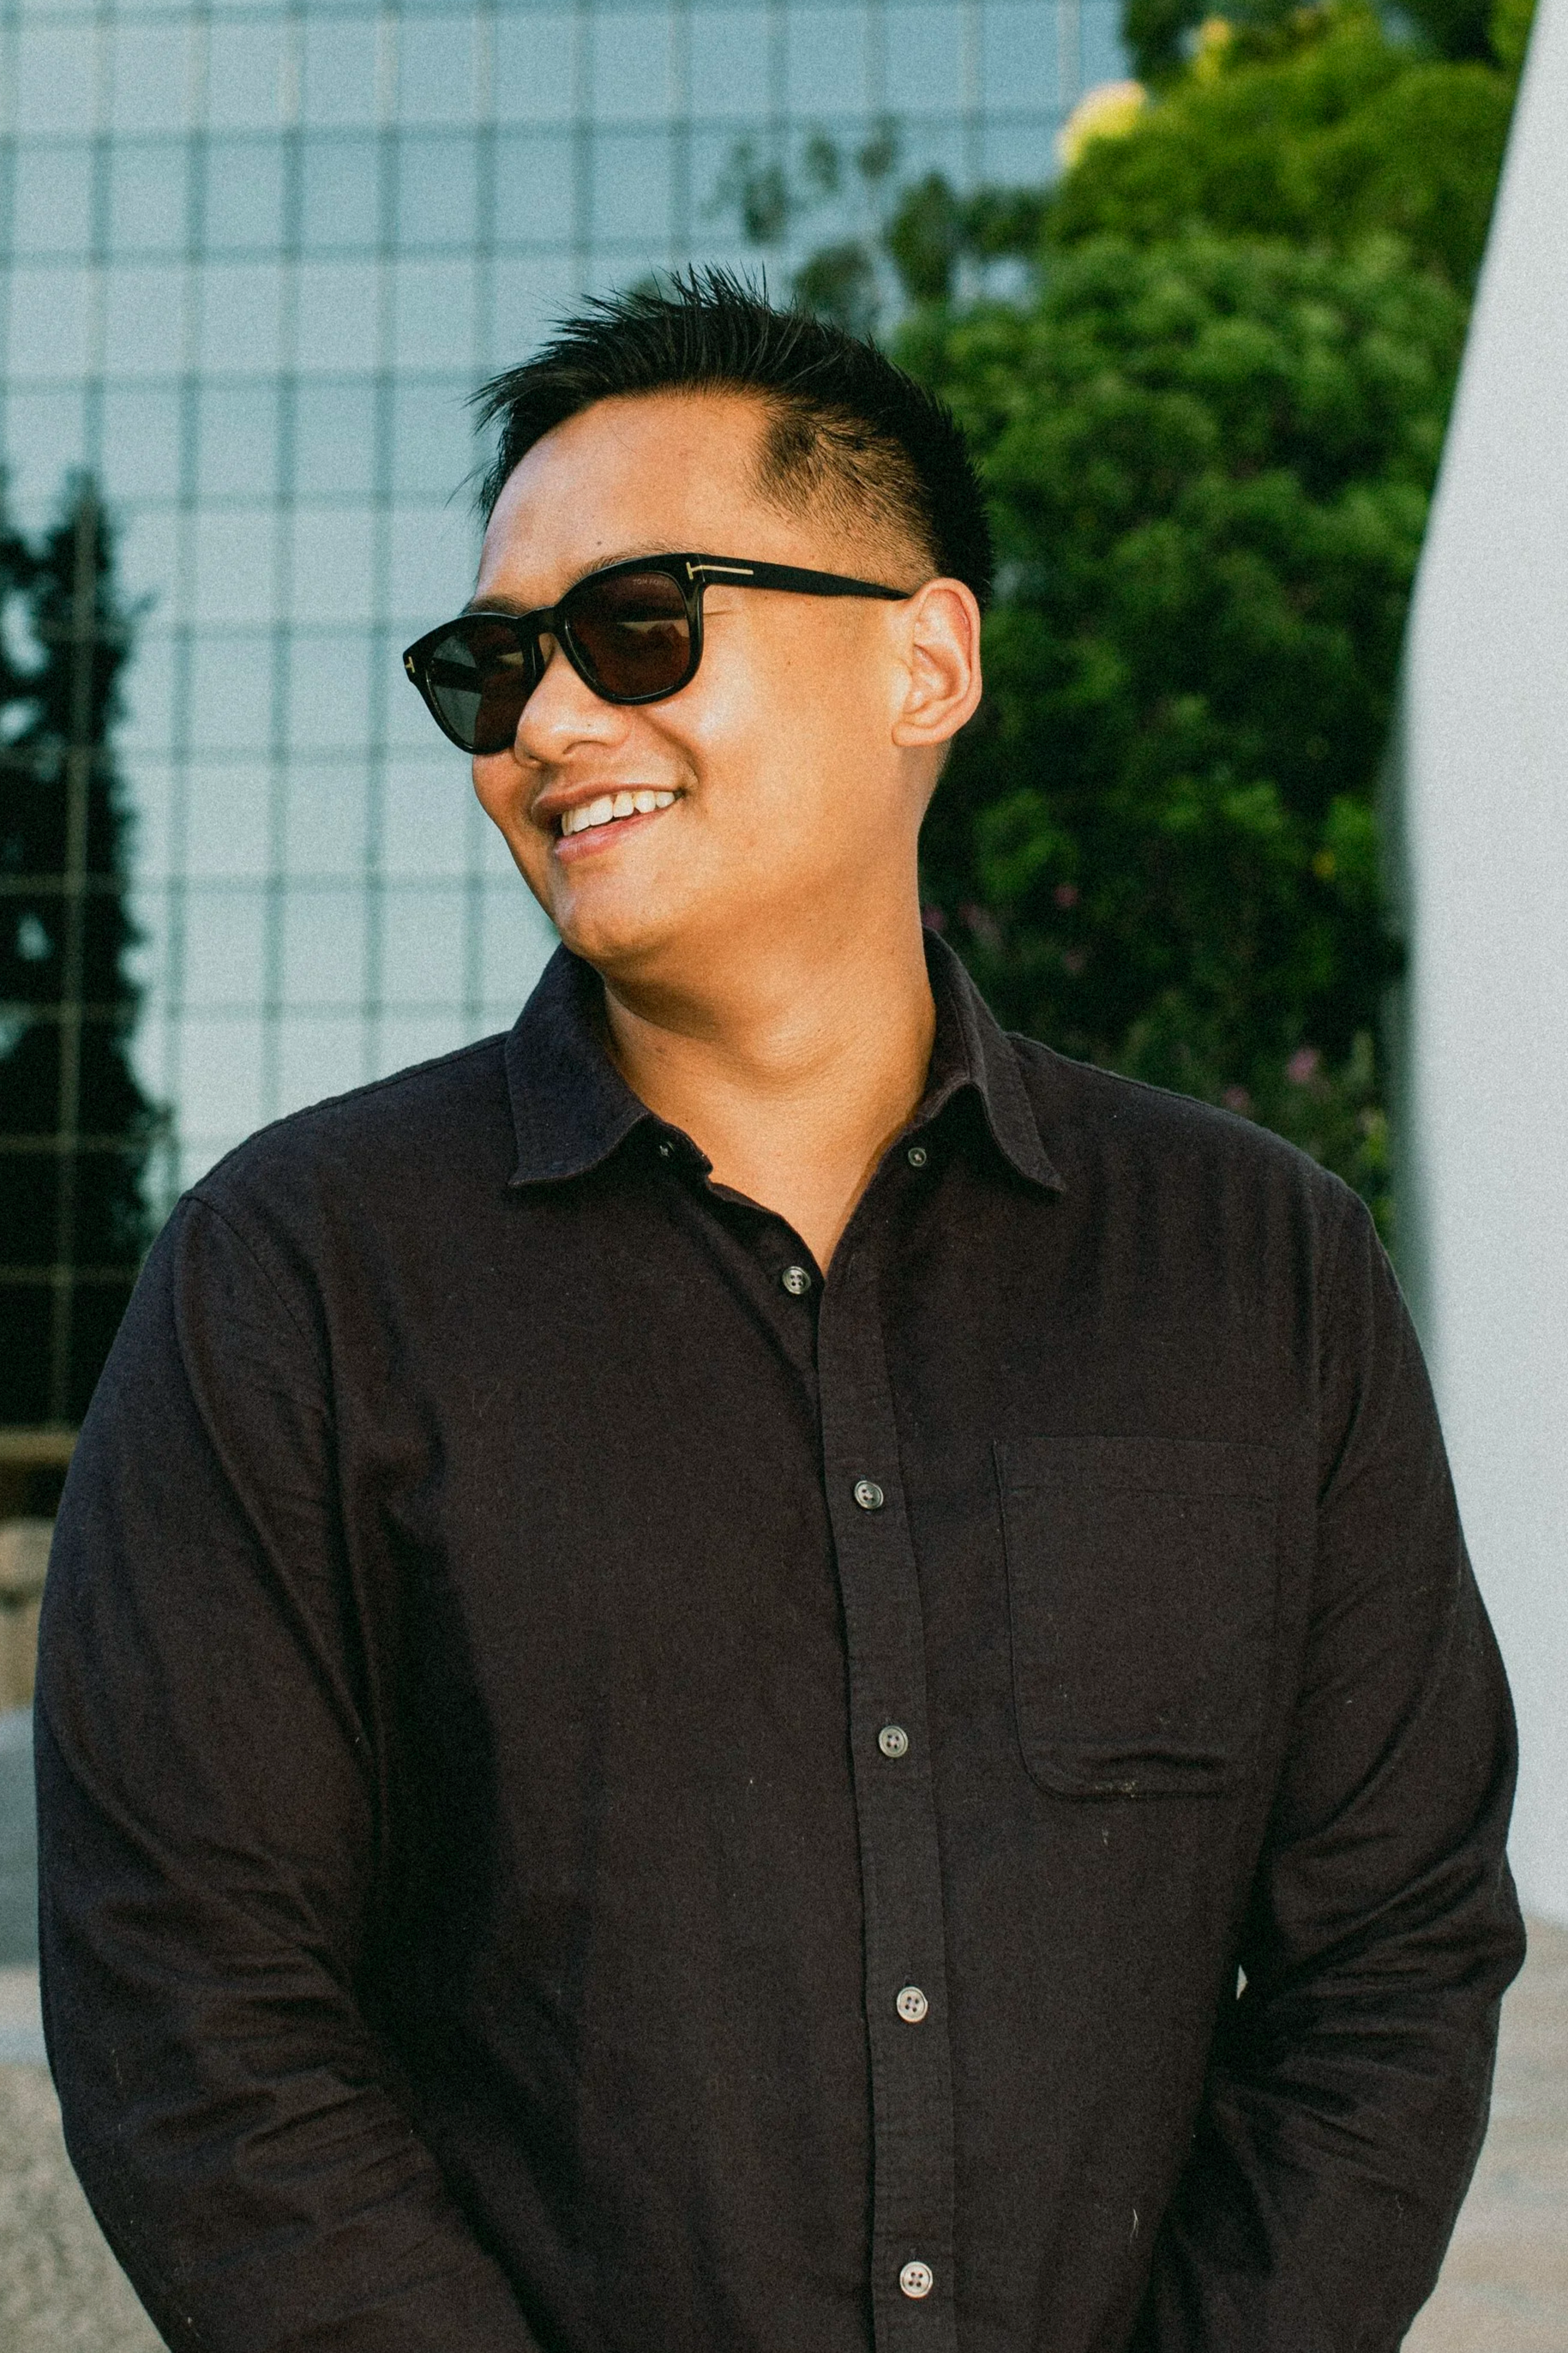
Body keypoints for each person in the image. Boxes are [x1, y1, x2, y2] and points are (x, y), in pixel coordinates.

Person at [36, 274, 1523, 2353]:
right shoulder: (293, 1280)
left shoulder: (1258, 1269)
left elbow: (1388, 1954)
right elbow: (193, 2003)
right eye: (491, 669)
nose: (548, 725)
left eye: (638, 626)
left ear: (923, 660)